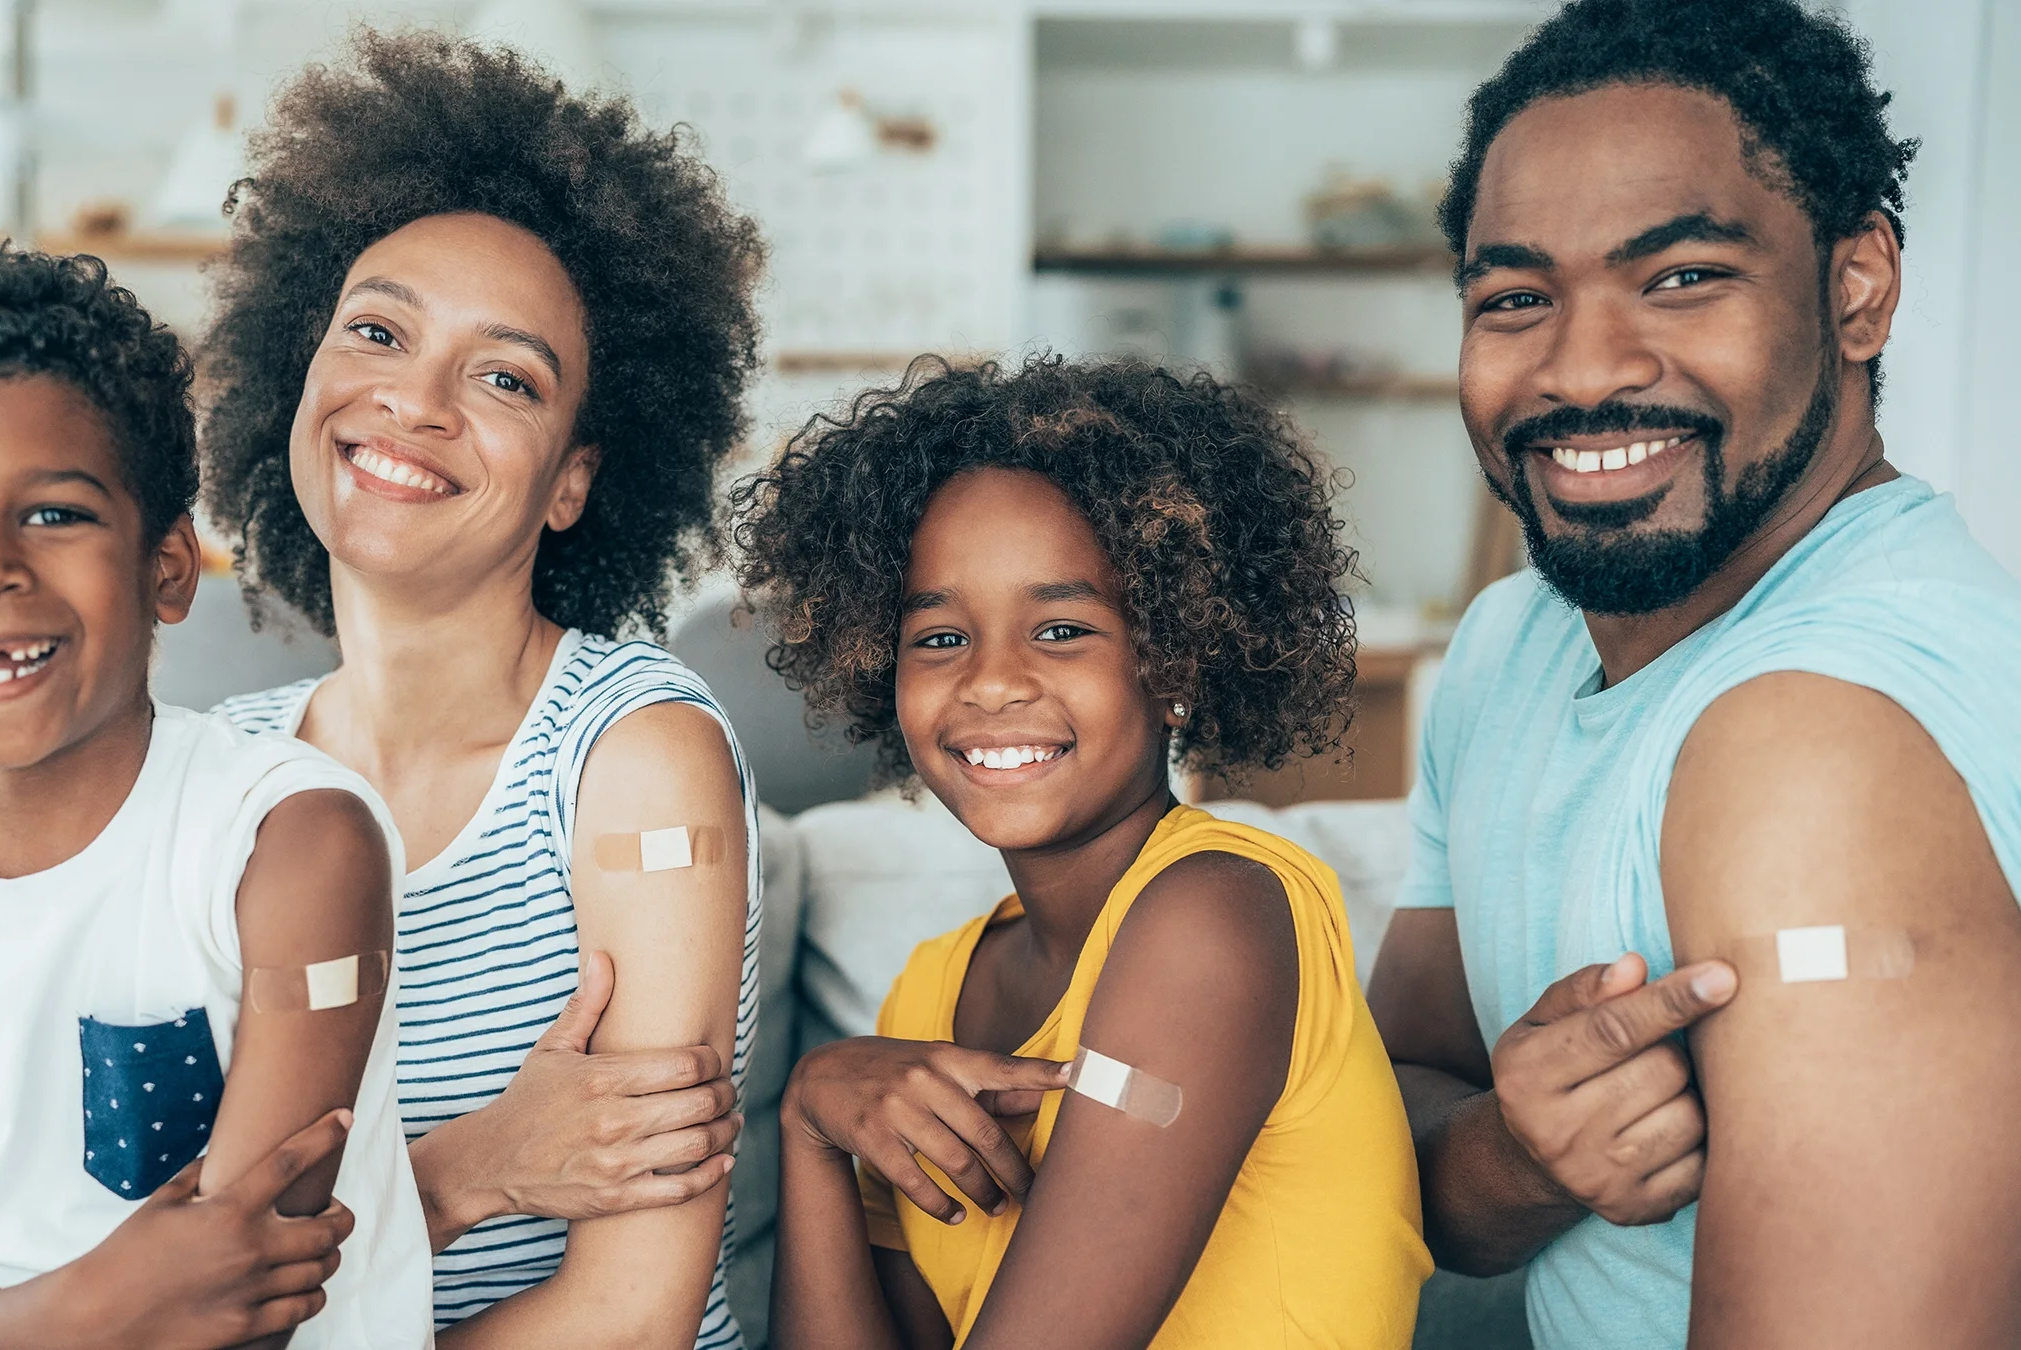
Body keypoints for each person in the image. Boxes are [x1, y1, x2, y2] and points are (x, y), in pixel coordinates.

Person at [1366, 1, 2021, 1345]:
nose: (1584, 367)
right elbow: (1387, 1101)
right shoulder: (1509, 645)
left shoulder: (1818, 744)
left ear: (1858, 287)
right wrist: (1516, 1157)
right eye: (1514, 298)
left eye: (1681, 277)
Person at [0, 242, 431, 1349]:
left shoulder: (296, 843)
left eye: (54, 514)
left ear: (168, 566)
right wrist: (64, 1309)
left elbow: (237, 1310)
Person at [199, 31, 764, 1350]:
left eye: (505, 376)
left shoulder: (635, 755)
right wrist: (470, 1168)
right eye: (379, 330)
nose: (415, 399)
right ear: (304, 374)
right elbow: (181, 1266)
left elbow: (631, 1313)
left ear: (574, 479)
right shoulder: (219, 774)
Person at [737, 358, 1433, 1349]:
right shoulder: (929, 994)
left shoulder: (1216, 918)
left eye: (1061, 629)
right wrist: (809, 1122)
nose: (988, 683)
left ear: (1176, 663)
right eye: (938, 638)